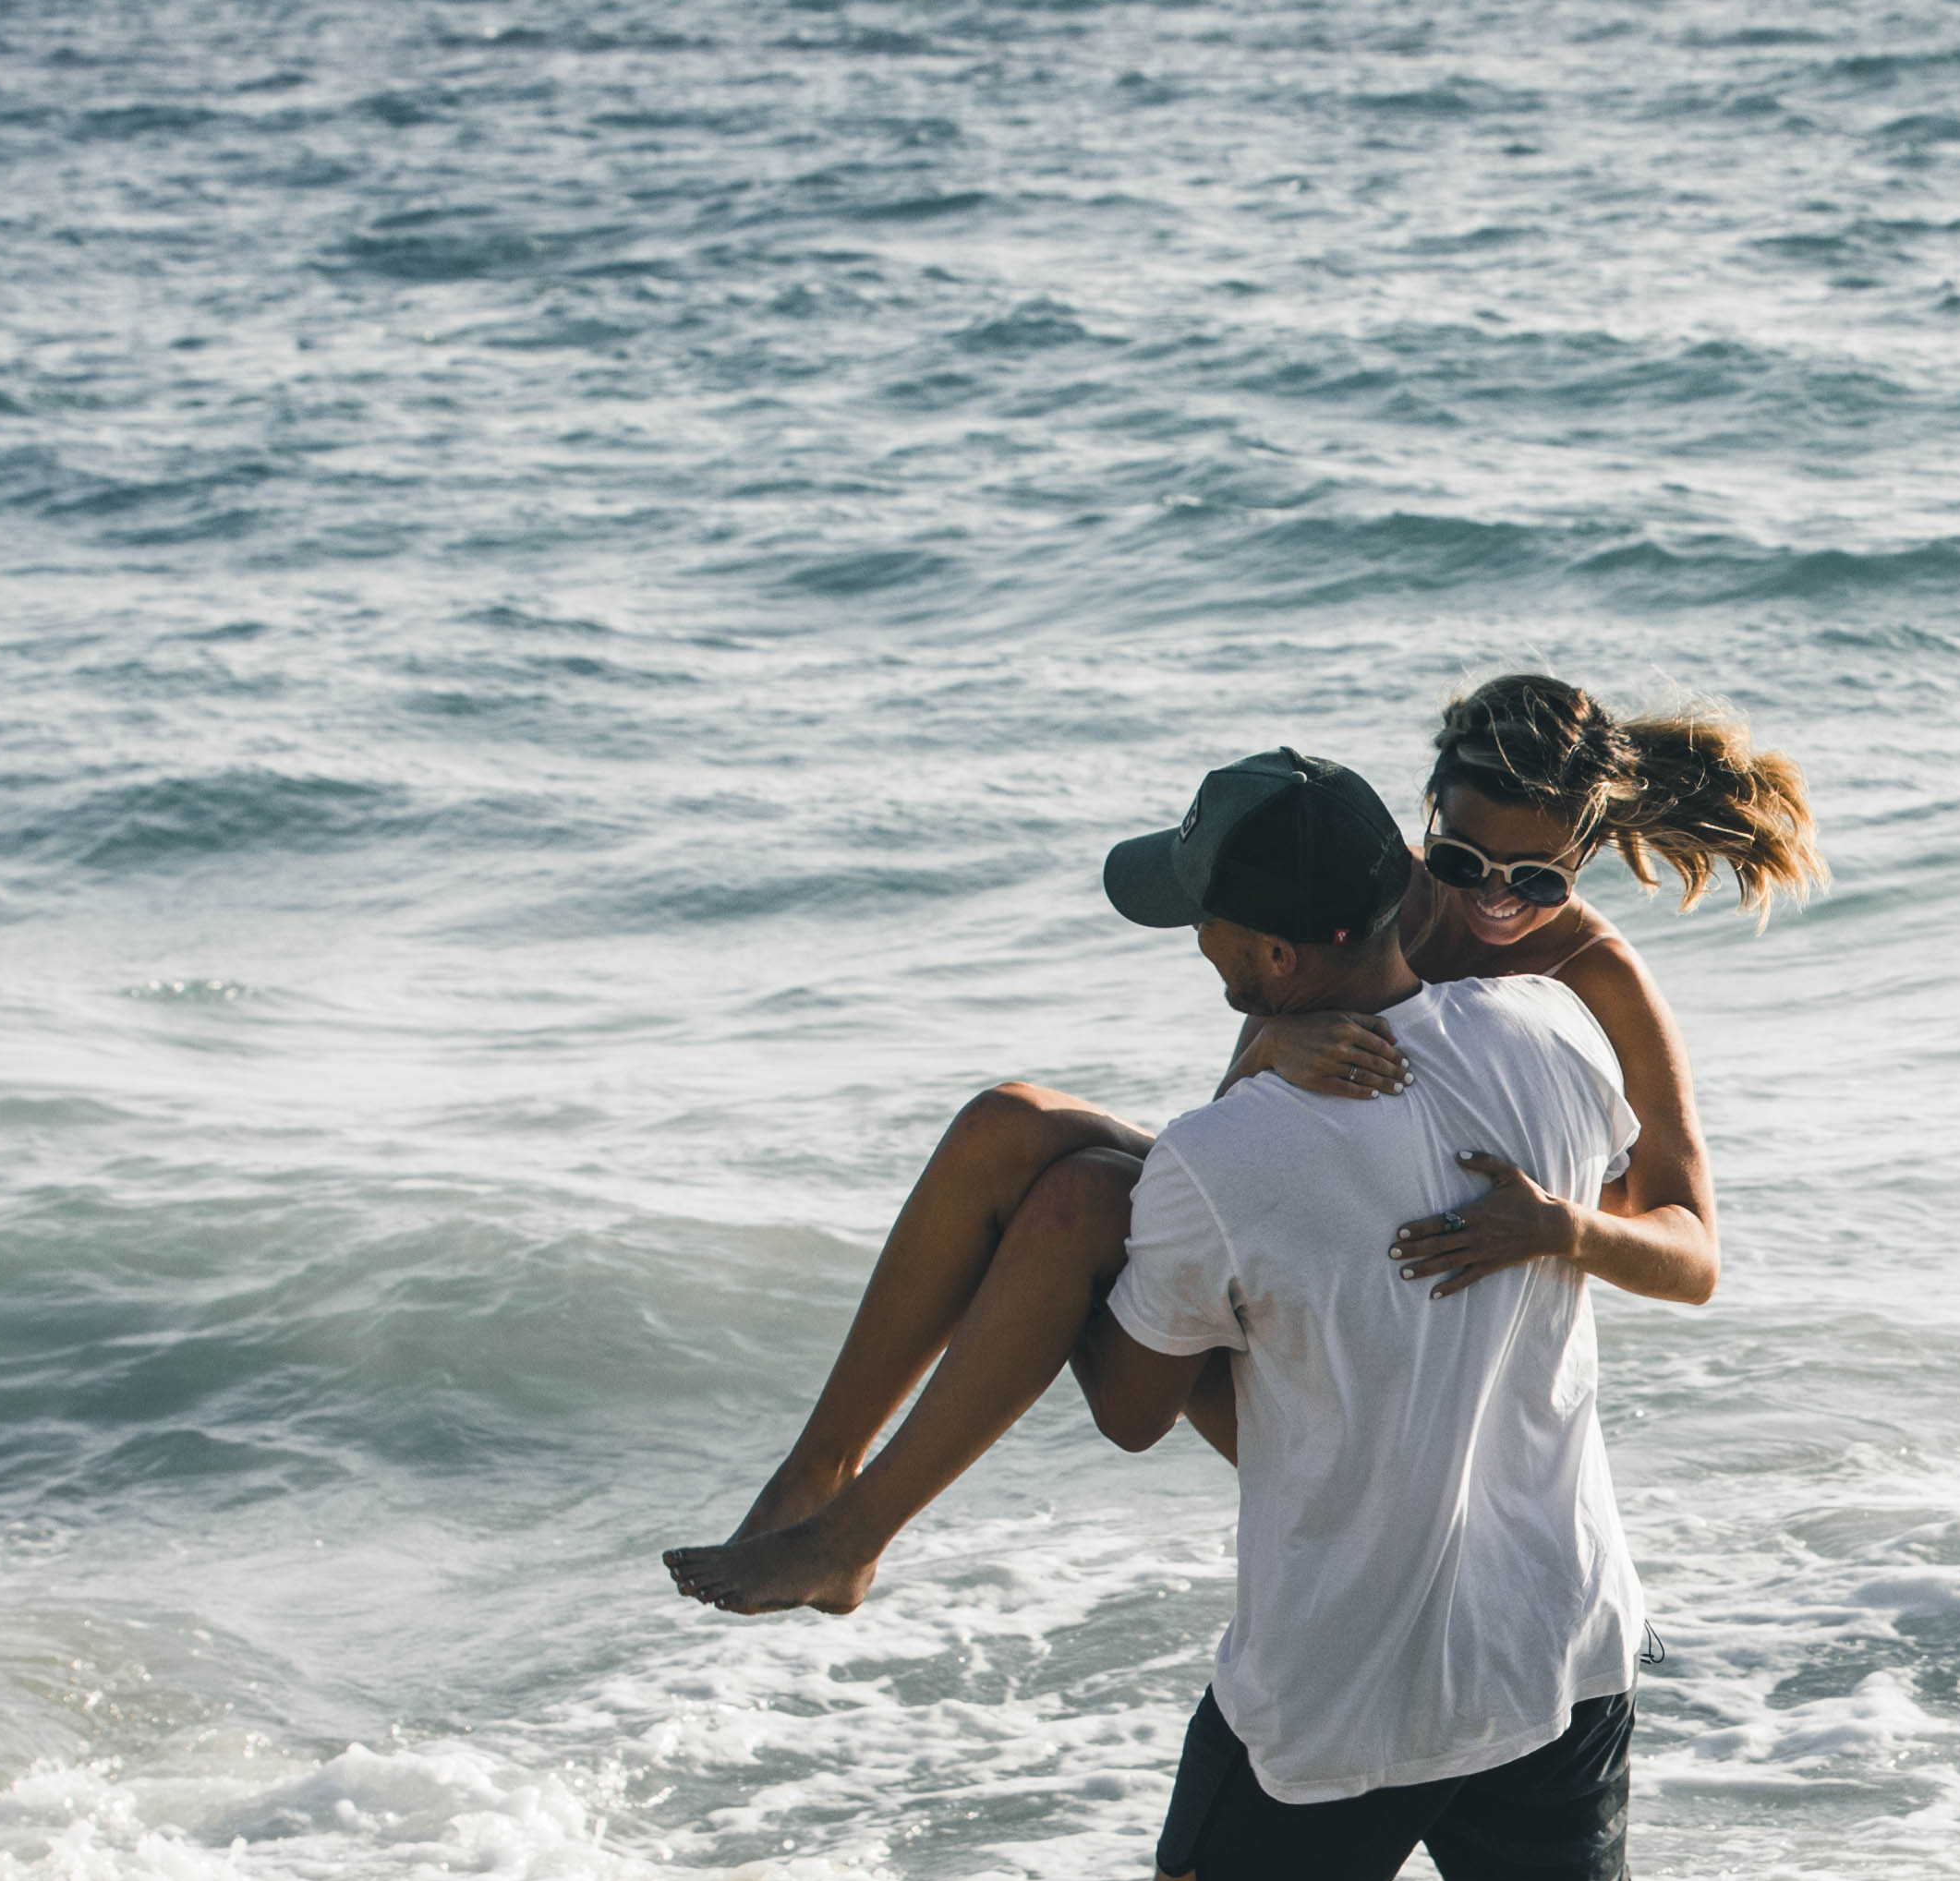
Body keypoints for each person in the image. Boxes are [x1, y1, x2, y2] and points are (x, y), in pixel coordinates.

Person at [1047, 744, 1707, 1881]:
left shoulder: (1215, 1154)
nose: (1196, 941)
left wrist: (1097, 1224)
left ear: (1263, 958)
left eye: (1205, 922)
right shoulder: (1561, 1046)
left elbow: (1128, 1403)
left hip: (1341, 1673)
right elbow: (1664, 1225)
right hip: (1549, 1641)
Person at [659, 675, 1813, 1615]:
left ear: (1589, 853)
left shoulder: (1598, 981)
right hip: (1301, 1274)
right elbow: (1235, 1129)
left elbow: (1696, 1253)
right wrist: (1272, 1050)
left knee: (1076, 1200)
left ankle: (855, 1533)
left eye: (1537, 879)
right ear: (1429, 822)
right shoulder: (1375, 902)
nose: (1489, 907)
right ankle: (819, 1484)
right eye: (1462, 863)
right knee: (1003, 1127)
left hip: (1404, 1380)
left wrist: (1563, 1228)